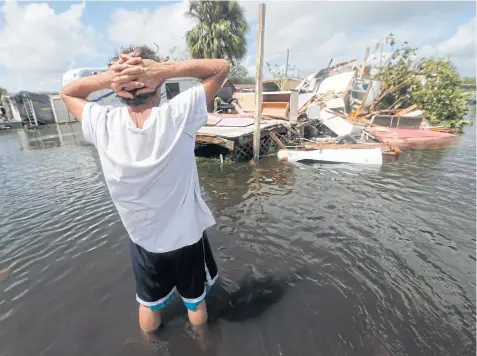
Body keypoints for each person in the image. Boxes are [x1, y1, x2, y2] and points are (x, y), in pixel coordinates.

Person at [60, 45, 230, 332]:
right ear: (156, 80)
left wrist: (108, 78)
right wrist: (163, 71)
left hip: (143, 242)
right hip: (185, 239)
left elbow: (68, 92)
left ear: (119, 88)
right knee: (195, 303)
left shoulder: (103, 122)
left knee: (148, 304)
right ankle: (204, 346)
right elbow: (221, 68)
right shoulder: (178, 115)